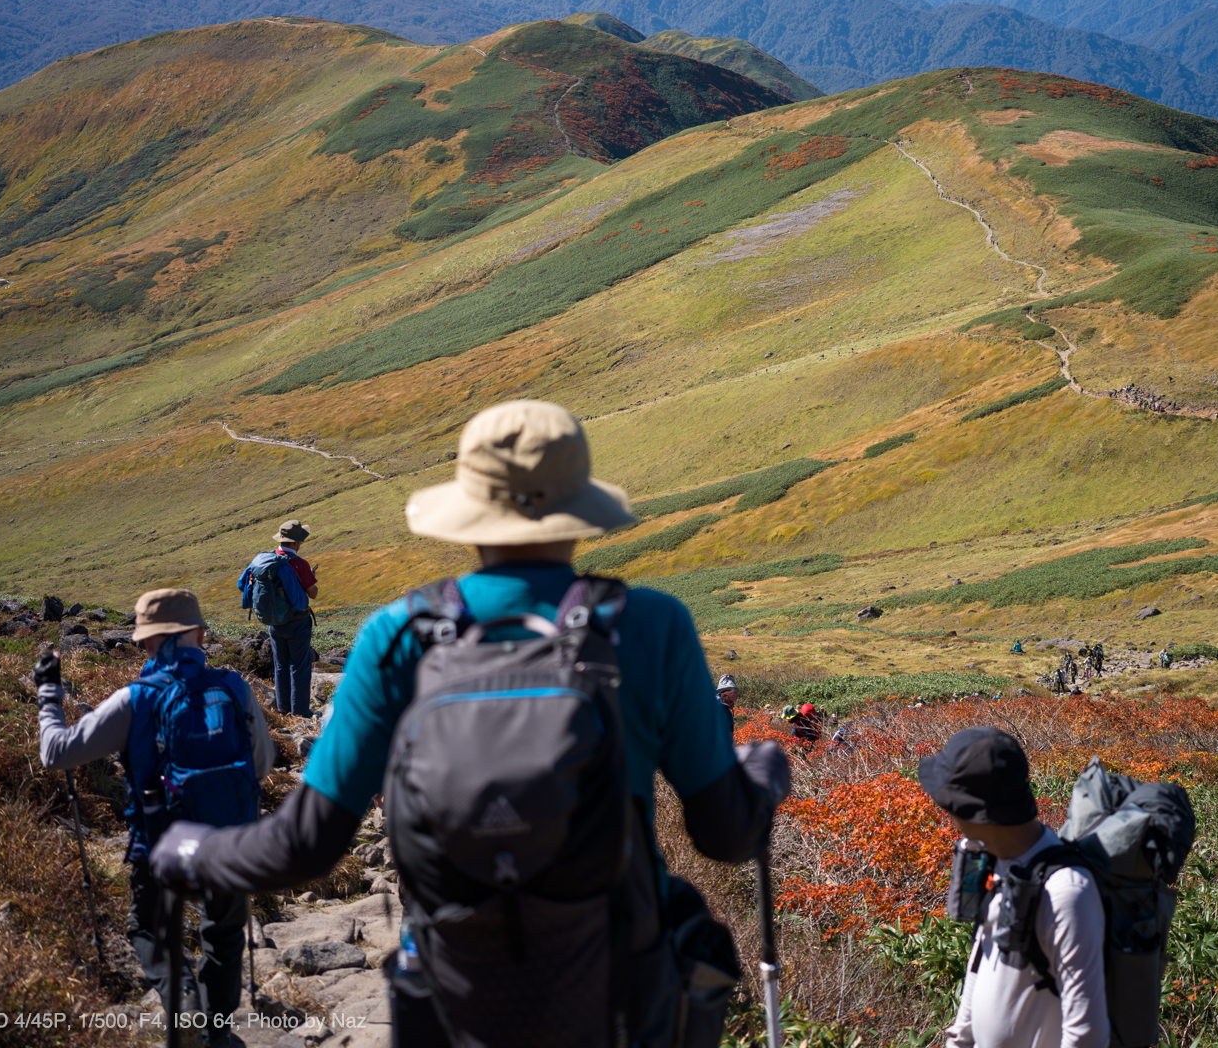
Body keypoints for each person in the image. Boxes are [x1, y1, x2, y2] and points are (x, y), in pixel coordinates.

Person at [150, 400, 790, 1046]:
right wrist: (762, 775)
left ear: (470, 512)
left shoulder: (397, 636)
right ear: (578, 508)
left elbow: (306, 843)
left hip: (450, 1008)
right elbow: (726, 836)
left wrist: (191, 850)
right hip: (619, 1003)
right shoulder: (650, 626)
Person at [36, 589, 274, 1047]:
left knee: (148, 927)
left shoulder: (135, 700)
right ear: (199, 635)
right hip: (232, 840)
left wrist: (49, 693)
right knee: (223, 934)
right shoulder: (235, 688)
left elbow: (56, 754)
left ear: (147, 641)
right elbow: (261, 765)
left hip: (162, 843)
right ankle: (216, 1032)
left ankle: (183, 1003)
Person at [919, 727, 1108, 1048]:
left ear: (973, 810)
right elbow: (982, 960)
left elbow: (1087, 1035)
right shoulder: (996, 860)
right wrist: (959, 1040)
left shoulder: (1066, 893)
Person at [240, 520, 319, 716]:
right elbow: (313, 593)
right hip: (297, 623)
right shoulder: (299, 564)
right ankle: (300, 713)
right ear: (295, 543)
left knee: (281, 665)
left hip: (273, 622)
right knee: (299, 666)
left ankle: (283, 710)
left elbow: (242, 584)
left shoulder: (265, 561)